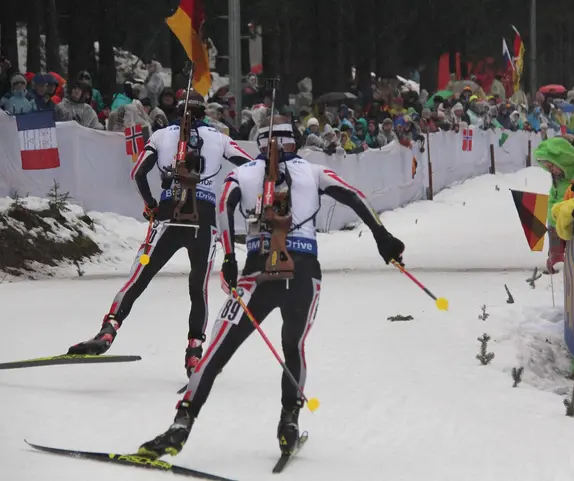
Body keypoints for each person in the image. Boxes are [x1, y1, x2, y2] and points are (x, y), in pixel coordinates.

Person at [137, 116, 405, 459]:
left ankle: (181, 425)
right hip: (305, 273)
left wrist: (230, 258)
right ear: (294, 141)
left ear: (260, 143)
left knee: (218, 350)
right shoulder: (314, 171)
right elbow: (354, 196)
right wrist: (382, 237)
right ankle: (289, 420)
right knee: (293, 345)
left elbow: (224, 206)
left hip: (257, 273)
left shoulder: (245, 172)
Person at [67, 90, 253, 378]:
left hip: (168, 218)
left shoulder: (163, 135)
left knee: (140, 273)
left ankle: (109, 328)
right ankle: (194, 351)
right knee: (198, 285)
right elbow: (249, 165)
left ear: (178, 113)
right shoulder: (219, 138)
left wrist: (151, 205)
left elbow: (138, 174)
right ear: (204, 114)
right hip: (203, 222)